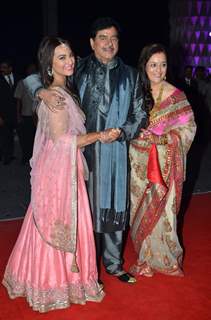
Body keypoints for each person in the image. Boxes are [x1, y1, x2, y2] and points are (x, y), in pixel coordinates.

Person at [24, 17, 147, 284]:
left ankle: (113, 265)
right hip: (82, 153)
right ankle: (86, 269)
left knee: (114, 207)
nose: (109, 43)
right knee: (82, 212)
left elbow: (140, 114)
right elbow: (34, 76)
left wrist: (122, 132)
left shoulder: (131, 75)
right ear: (92, 42)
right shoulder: (77, 68)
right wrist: (41, 92)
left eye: (113, 38)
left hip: (114, 152)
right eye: (103, 38)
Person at [2, 36, 109, 312]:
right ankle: (54, 284)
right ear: (49, 64)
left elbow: (31, 82)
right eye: (61, 57)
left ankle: (42, 279)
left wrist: (41, 89)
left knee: (44, 220)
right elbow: (63, 140)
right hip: (61, 173)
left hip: (63, 169)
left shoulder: (65, 87)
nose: (70, 60)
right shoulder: (57, 97)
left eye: (70, 55)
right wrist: (101, 135)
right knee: (60, 220)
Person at [129, 44, 196, 277]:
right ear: (144, 67)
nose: (158, 70)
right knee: (140, 208)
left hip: (165, 162)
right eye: (153, 65)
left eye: (163, 64)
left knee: (164, 211)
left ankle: (166, 257)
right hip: (138, 161)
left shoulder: (177, 96)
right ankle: (145, 257)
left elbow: (189, 128)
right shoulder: (134, 91)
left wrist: (164, 138)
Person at [15, 63, 37, 164]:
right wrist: (18, 115)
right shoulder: (22, 83)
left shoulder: (40, 81)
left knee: (36, 139)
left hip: (38, 116)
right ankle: (26, 157)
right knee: (26, 138)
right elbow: (18, 100)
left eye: (33, 69)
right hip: (26, 114)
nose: (32, 70)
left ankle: (35, 159)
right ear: (27, 70)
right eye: (30, 69)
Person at [0, 59, 19, 164]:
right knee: (4, 136)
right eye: (1, 67)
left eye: (4, 67)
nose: (1, 69)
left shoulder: (18, 78)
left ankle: (10, 155)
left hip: (16, 113)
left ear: (10, 68)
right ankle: (5, 157)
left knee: (11, 135)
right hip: (3, 114)